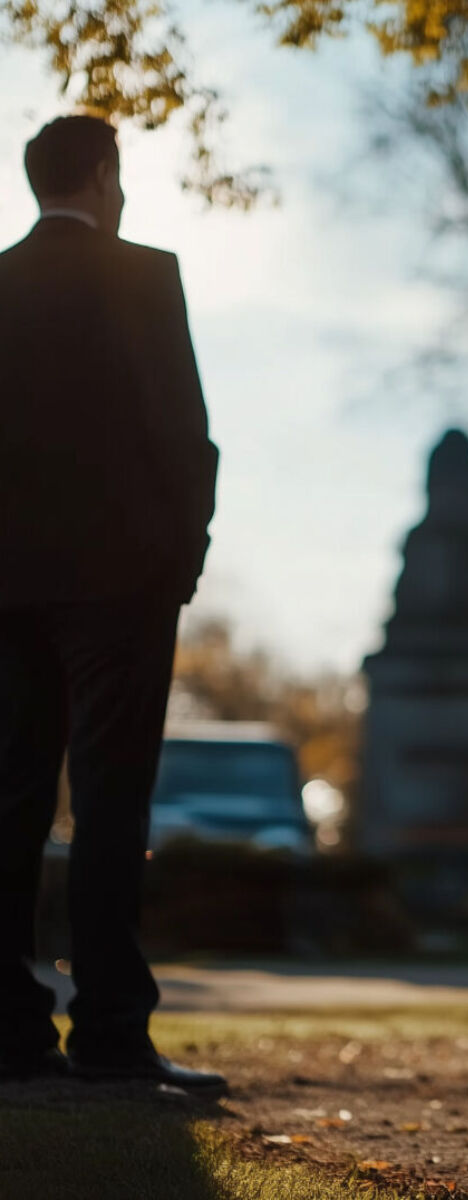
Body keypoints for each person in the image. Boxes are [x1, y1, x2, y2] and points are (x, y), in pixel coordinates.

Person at [0, 115, 224, 1092]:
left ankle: (7, 1035)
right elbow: (182, 432)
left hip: (6, 587)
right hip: (123, 583)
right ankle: (110, 1036)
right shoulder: (143, 278)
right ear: (102, 174)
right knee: (109, 800)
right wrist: (185, 557)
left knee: (8, 803)